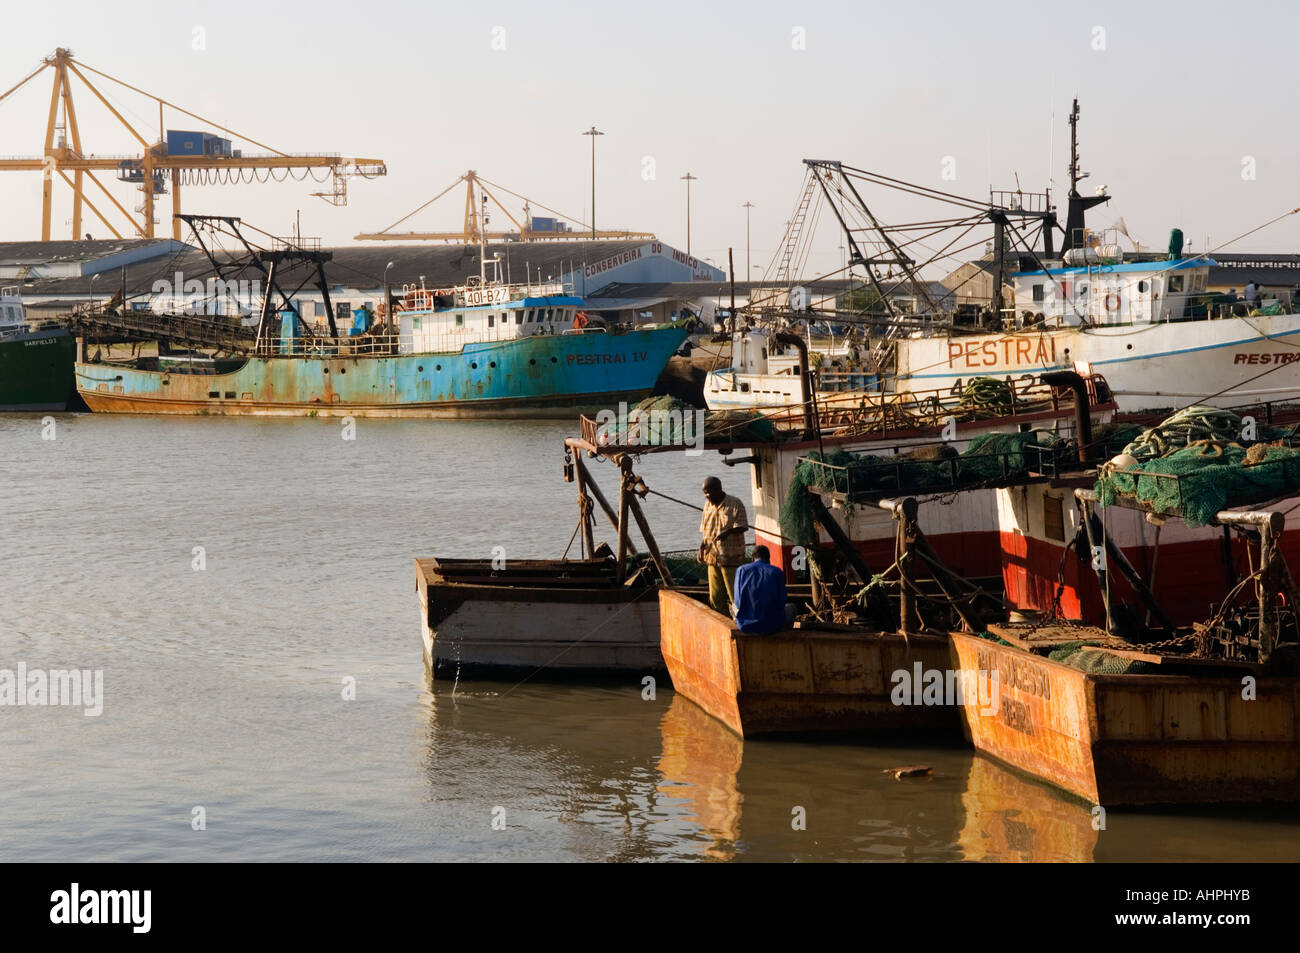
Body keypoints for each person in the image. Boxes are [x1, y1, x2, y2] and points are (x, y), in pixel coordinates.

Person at [698, 476, 748, 615]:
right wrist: (701, 548)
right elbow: (705, 530)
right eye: (704, 493)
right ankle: (724, 619)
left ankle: (741, 622)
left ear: (718, 489)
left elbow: (743, 526)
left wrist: (729, 532)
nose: (706, 496)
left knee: (734, 595)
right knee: (715, 597)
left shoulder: (735, 503)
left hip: (730, 558)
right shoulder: (707, 505)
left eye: (708, 492)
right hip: (712, 557)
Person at [731, 546, 788, 634]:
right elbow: (782, 601)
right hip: (773, 626)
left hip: (746, 626)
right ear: (768, 558)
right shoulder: (777, 572)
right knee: (792, 608)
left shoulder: (741, 570)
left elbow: (737, 602)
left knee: (733, 605)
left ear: (752, 558)